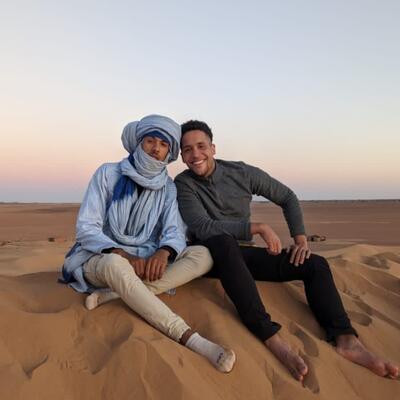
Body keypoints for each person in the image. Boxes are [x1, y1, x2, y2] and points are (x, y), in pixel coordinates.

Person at [174, 119, 399, 382]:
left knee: (315, 265)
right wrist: (257, 227)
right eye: (187, 149)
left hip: (245, 256)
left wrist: (301, 241)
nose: (195, 154)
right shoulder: (183, 183)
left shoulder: (241, 172)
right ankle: (271, 338)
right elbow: (203, 227)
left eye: (201, 146)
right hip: (211, 257)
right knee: (223, 242)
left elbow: (287, 197)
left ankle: (347, 340)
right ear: (182, 156)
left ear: (213, 148)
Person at [60, 115, 236, 373]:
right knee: (115, 264)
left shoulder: (167, 188)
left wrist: (163, 253)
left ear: (169, 152)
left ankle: (116, 294)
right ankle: (192, 339)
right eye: (150, 141)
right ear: (138, 143)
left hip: (143, 261)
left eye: (163, 144)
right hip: (99, 259)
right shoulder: (108, 173)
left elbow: (174, 230)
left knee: (203, 255)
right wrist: (123, 255)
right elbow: (87, 228)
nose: (156, 148)